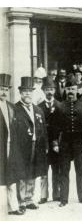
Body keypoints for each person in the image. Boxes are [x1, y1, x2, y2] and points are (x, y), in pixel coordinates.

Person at [52, 74, 82, 207]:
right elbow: (55, 127)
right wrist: (55, 143)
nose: (70, 91)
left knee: (80, 171)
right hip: (64, 142)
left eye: (73, 89)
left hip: (79, 142)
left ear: (77, 90)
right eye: (68, 89)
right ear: (65, 90)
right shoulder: (60, 106)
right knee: (64, 171)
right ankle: (64, 199)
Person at [14, 77, 48, 212]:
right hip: (21, 146)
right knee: (22, 172)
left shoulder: (38, 110)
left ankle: (29, 199)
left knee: (33, 171)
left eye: (29, 91)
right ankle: (21, 201)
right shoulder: (15, 109)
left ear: (33, 93)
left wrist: (45, 146)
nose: (27, 94)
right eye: (24, 91)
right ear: (20, 93)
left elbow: (44, 129)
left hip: (36, 145)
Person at [0, 73, 21, 216]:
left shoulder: (11, 107)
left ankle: (14, 207)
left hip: (10, 146)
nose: (3, 92)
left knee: (12, 176)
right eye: (1, 88)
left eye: (6, 89)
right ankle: (2, 208)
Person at [38, 77, 61, 204]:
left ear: (55, 90)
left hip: (56, 143)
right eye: (47, 89)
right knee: (43, 170)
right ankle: (43, 195)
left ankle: (56, 194)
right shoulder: (38, 107)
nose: (50, 92)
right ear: (43, 90)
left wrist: (58, 141)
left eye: (51, 89)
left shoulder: (60, 105)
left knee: (56, 169)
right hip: (43, 144)